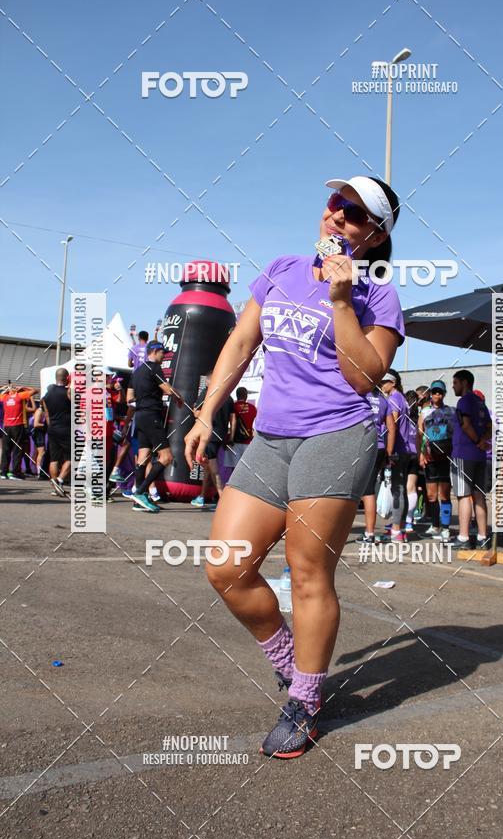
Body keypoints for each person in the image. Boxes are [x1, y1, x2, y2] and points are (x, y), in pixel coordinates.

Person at [184, 175, 403, 758]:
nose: (338, 216)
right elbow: (239, 343)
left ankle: (305, 699)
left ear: (375, 237)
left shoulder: (378, 293)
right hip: (272, 437)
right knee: (226, 567)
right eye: (337, 203)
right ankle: (290, 660)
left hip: (337, 432)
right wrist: (207, 413)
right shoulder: (281, 268)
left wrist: (339, 298)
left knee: (307, 573)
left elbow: (365, 376)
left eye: (356, 215)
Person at [127, 341, 184, 512]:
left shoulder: (136, 372)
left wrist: (143, 399)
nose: (163, 356)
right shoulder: (154, 368)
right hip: (152, 415)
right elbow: (167, 390)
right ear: (154, 352)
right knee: (166, 457)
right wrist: (179, 397)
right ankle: (141, 492)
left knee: (143, 457)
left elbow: (129, 399)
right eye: (162, 353)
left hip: (140, 416)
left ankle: (139, 500)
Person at [449, 370, 492, 550]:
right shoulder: (481, 403)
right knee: (479, 495)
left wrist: (476, 441)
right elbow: (490, 426)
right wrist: (483, 443)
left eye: (456, 382)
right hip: (479, 456)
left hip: (464, 453)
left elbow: (465, 425)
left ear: (465, 382)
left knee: (464, 496)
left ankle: (464, 537)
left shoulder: (464, 401)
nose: (453, 386)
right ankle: (483, 537)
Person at [190, 373, 236, 509]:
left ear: (210, 382)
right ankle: (202, 496)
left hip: (209, 436)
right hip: (219, 436)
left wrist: (195, 410)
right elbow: (233, 419)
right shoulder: (228, 397)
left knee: (213, 469)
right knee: (208, 468)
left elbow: (197, 414)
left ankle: (222, 501)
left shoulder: (207, 394)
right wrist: (231, 436)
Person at [358, 386, 395, 543]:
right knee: (369, 489)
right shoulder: (383, 401)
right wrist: (389, 452)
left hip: (360, 445)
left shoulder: (359, 394)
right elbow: (391, 427)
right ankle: (370, 533)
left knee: (360, 491)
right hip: (379, 447)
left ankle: (369, 533)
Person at [418, 379, 454, 541]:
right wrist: (421, 453)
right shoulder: (425, 412)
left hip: (446, 457)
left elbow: (456, 433)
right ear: (430, 394)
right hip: (430, 456)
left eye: (440, 392)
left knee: (444, 495)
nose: (437, 395)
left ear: (444, 394)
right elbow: (419, 434)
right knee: (431, 495)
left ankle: (445, 528)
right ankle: (435, 525)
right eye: (434, 392)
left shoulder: (451, 412)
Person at [382, 370, 411, 542]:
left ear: (393, 383)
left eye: (385, 381)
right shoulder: (402, 398)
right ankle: (400, 528)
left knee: (398, 489)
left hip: (398, 449)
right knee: (401, 489)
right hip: (406, 448)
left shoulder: (393, 399)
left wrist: (388, 451)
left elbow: (390, 424)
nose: (382, 384)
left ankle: (396, 530)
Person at [42, 369, 71, 495]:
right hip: (66, 428)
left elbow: (47, 415)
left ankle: (56, 487)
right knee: (73, 457)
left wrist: (51, 427)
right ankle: (59, 480)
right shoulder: (68, 393)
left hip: (52, 428)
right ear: (67, 377)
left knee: (54, 458)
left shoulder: (47, 394)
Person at [0, 383, 38, 479]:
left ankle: (3, 472)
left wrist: (4, 387)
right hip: (17, 426)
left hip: (7, 426)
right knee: (17, 449)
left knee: (6, 450)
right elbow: (35, 390)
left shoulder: (4, 397)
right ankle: (15, 472)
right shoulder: (19, 395)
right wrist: (22, 387)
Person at [403, 390, 420, 534]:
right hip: (415, 453)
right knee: (412, 488)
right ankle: (409, 522)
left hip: (404, 452)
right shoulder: (417, 417)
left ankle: (402, 521)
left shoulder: (402, 416)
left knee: (401, 489)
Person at [31, 400, 48, 478]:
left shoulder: (45, 411)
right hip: (37, 433)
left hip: (41, 432)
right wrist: (46, 426)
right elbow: (35, 424)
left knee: (37, 452)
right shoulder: (39, 411)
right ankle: (39, 471)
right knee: (42, 452)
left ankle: (35, 469)